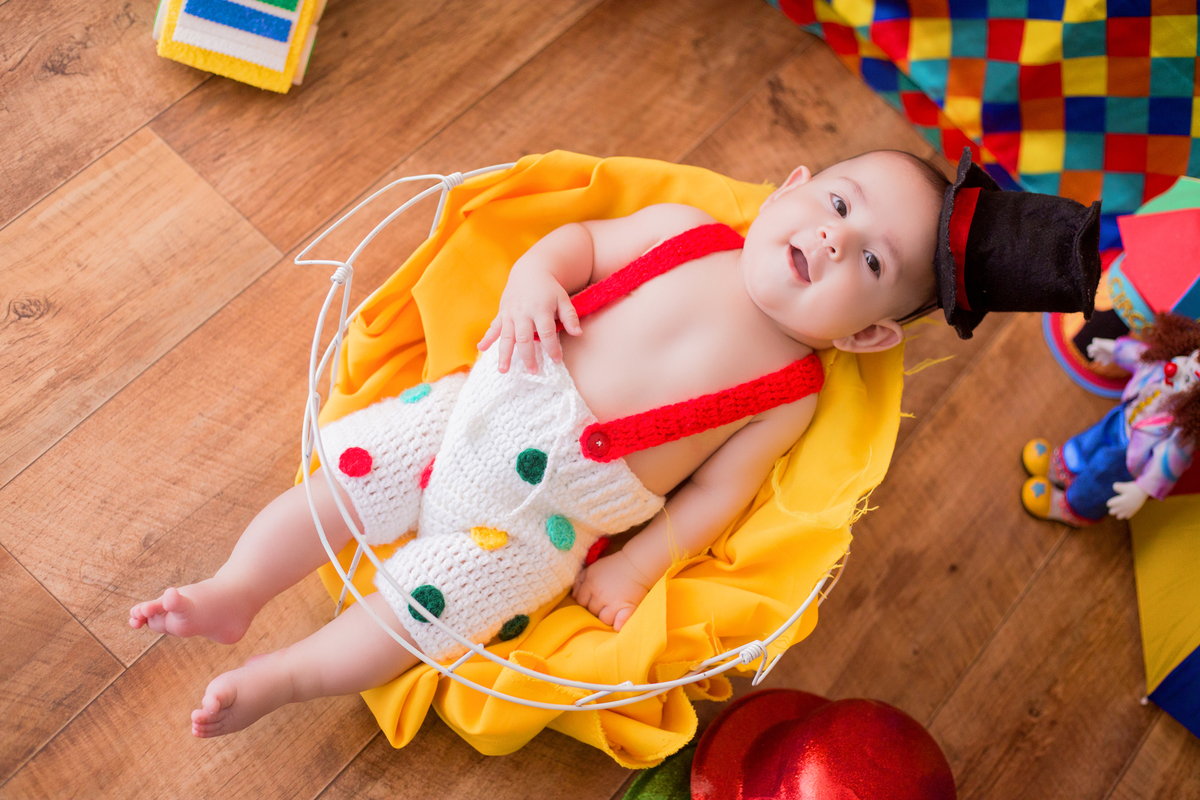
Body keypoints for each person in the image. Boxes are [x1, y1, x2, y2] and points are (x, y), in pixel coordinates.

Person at [129, 148, 1098, 739]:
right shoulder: (684, 232)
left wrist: (635, 565)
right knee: (340, 483)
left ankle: (285, 676)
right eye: (839, 204)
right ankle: (237, 588)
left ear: (869, 335)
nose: (838, 240)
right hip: (470, 411)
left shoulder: (789, 398)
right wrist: (531, 284)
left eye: (874, 260)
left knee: (417, 616)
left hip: (543, 530)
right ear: (791, 188)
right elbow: (579, 244)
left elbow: (714, 499)